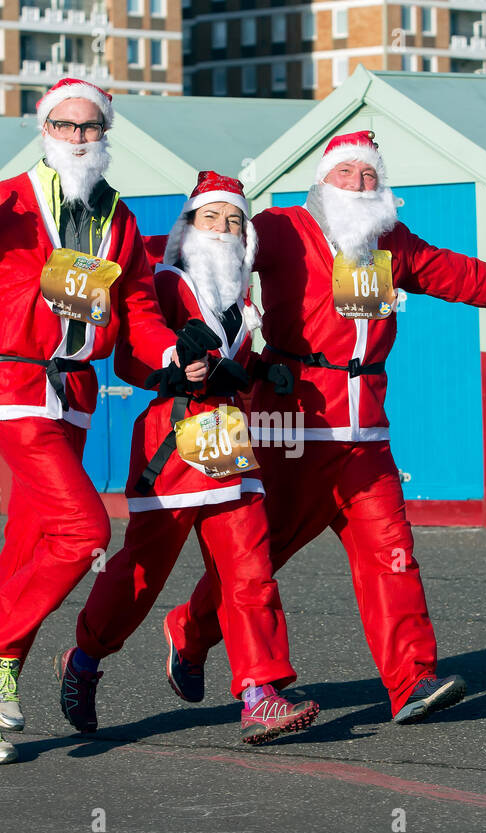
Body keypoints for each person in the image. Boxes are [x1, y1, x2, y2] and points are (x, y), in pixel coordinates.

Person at [165, 131, 486, 725]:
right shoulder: (282, 228)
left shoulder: (390, 242)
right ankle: (190, 628)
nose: (360, 185)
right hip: (292, 426)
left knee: (392, 555)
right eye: (347, 174)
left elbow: (453, 272)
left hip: (365, 434)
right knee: (259, 557)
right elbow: (211, 255)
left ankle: (412, 681)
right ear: (322, 180)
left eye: (369, 176)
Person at [0, 77, 202, 764]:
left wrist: (172, 356)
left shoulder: (117, 219)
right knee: (84, 529)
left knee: (28, 556)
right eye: (66, 126)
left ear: (106, 134)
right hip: (12, 385)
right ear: (45, 131)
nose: (79, 137)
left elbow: (140, 322)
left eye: (90, 127)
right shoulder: (5, 199)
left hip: (74, 396)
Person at [58, 172, 319, 745]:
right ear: (189, 227)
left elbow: (234, 359)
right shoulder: (166, 282)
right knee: (142, 574)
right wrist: (176, 366)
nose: (224, 230)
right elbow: (130, 348)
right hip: (172, 442)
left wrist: (261, 369)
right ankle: (83, 660)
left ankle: (260, 693)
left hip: (228, 438)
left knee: (250, 572)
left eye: (235, 221)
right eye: (212, 219)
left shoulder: (240, 300)